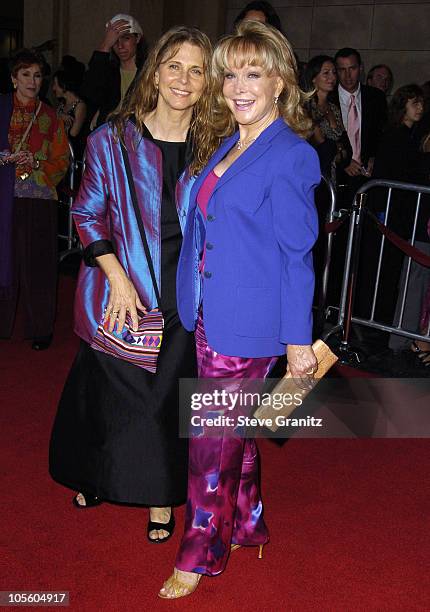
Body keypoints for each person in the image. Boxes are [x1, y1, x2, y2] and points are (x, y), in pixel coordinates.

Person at [159, 20, 320, 598]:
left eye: (254, 73)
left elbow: (297, 258)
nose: (237, 85)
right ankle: (248, 522)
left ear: (281, 82)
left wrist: (298, 341)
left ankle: (198, 554)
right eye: (230, 74)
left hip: (249, 324)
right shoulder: (234, 139)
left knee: (209, 438)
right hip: (208, 311)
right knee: (234, 432)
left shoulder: (292, 156)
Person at [49, 26, 213, 543]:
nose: (183, 80)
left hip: (185, 291)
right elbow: (87, 212)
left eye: (197, 69)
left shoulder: (217, 149)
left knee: (165, 398)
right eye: (174, 66)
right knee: (105, 393)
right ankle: (96, 474)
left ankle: (162, 496)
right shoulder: (111, 139)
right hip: (119, 284)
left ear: (208, 82)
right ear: (154, 71)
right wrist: (117, 279)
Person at [0, 49, 69, 349]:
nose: (32, 81)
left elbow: (62, 161)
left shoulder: (51, 117)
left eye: (38, 75)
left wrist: (38, 164)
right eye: (26, 74)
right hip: (4, 197)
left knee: (38, 263)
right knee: (4, 259)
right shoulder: (1, 109)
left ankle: (41, 327)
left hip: (39, 198)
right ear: (14, 79)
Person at [371, 86, 430, 347]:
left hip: (409, 214)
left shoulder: (414, 136)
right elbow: (398, 173)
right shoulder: (396, 136)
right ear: (401, 106)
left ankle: (396, 333)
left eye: (421, 103)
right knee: (397, 273)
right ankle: (391, 334)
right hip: (400, 214)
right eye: (413, 103)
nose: (418, 108)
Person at [333, 47, 387, 192]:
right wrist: (344, 162)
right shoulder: (328, 98)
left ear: (361, 69)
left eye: (352, 68)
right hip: (335, 177)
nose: (348, 75)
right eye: (342, 70)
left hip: (366, 177)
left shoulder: (376, 98)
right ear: (336, 72)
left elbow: (382, 134)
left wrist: (374, 158)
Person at [80, 13, 147, 129]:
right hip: (108, 137)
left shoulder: (148, 72)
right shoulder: (109, 71)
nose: (120, 46)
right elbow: (90, 92)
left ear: (137, 38)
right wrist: (105, 45)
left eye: (126, 38)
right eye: (115, 41)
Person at [302, 54, 352, 184]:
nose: (332, 77)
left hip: (335, 176)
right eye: (326, 73)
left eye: (334, 72)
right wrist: (338, 148)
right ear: (313, 78)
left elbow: (347, 146)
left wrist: (339, 149)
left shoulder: (334, 108)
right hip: (314, 176)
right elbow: (322, 146)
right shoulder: (306, 108)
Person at [52, 68, 87, 158]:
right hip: (60, 153)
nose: (53, 88)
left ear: (63, 85)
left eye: (55, 84)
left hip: (73, 155)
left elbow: (73, 134)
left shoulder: (80, 106)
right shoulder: (62, 105)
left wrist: (58, 118)